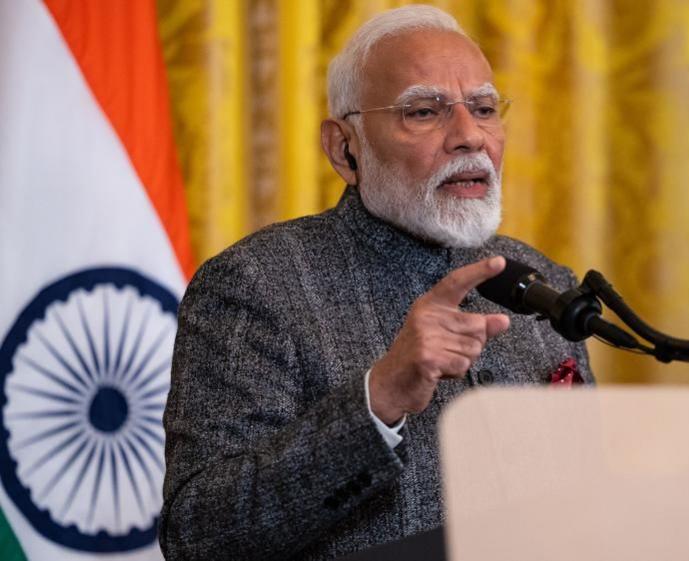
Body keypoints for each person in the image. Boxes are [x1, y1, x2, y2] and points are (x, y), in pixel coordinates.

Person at [159, 5, 593, 560]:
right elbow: (198, 537)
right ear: (345, 148)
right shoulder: (256, 285)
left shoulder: (541, 282)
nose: (469, 137)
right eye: (423, 112)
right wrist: (378, 399)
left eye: (483, 108)